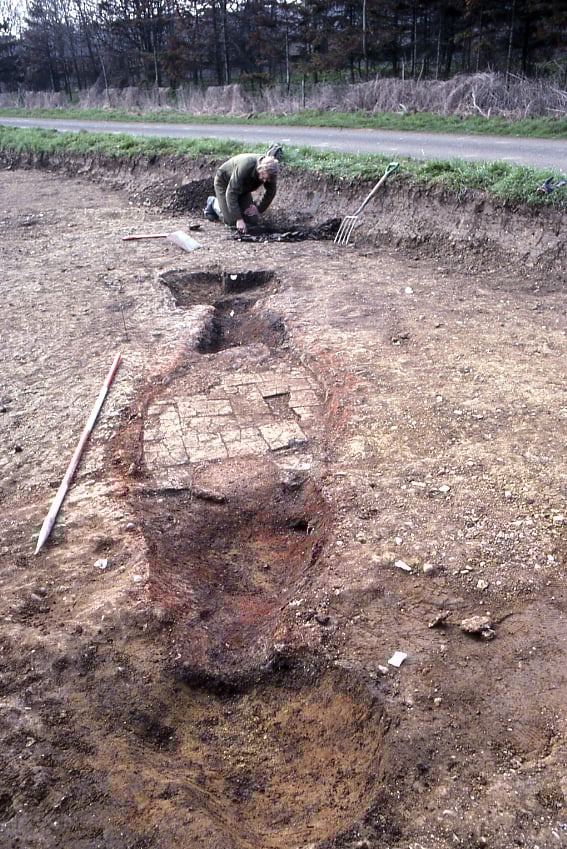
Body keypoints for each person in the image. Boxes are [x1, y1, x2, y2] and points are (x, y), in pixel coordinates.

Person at [204, 152, 279, 233]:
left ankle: (236, 210)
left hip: (243, 188)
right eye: (263, 177)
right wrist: (238, 219)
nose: (265, 181)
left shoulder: (270, 174)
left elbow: (271, 192)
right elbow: (231, 193)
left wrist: (259, 209)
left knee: (252, 220)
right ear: (260, 169)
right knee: (232, 222)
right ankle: (213, 202)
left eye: (267, 179)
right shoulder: (246, 166)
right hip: (225, 183)